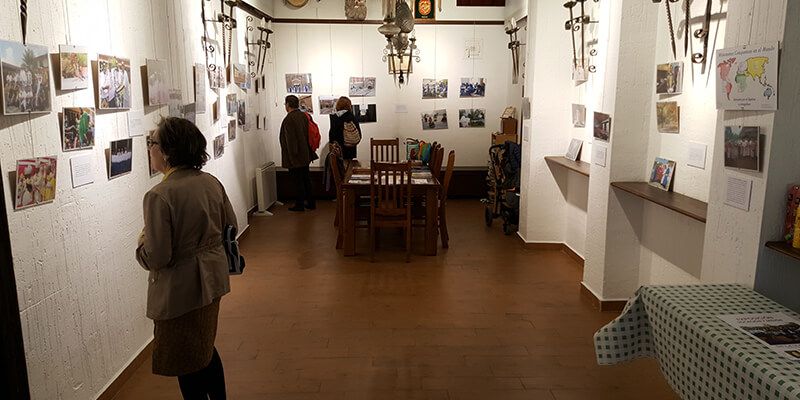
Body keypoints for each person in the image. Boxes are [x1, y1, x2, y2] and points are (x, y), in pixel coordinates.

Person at [136, 117, 236, 400]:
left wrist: (141, 244)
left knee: (186, 360)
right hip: (212, 281)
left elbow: (158, 256)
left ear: (167, 151)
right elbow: (232, 226)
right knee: (204, 347)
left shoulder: (160, 195)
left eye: (152, 143)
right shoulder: (209, 182)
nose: (149, 149)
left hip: (180, 290)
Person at [280, 95, 317, 211]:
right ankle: (311, 203)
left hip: (295, 156)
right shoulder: (303, 116)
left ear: (288, 105)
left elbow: (290, 140)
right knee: (306, 179)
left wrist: (292, 157)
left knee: (298, 181)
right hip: (305, 153)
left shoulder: (289, 119)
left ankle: (300, 204)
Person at [328, 96, 360, 163]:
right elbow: (359, 133)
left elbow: (332, 134)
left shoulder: (334, 117)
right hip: (350, 149)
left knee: (338, 170)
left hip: (338, 149)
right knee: (349, 169)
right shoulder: (352, 116)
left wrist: (331, 145)